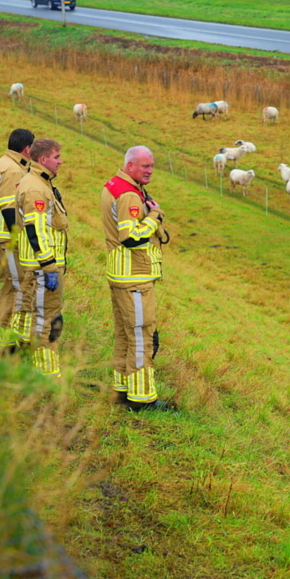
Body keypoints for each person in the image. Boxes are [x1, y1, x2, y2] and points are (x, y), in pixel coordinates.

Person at [101, 145, 171, 411]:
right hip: (134, 276)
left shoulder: (114, 185)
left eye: (152, 166)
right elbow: (129, 237)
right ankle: (142, 400)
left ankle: (121, 390)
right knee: (142, 336)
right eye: (145, 166)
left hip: (120, 272)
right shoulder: (129, 195)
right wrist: (154, 216)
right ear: (130, 165)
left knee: (124, 335)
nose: (150, 170)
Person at [16, 138, 68, 379]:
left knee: (34, 313)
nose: (60, 162)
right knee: (46, 318)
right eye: (56, 158)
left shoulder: (40, 182)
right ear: (43, 159)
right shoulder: (36, 188)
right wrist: (48, 266)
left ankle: (25, 361)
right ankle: (46, 373)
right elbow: (35, 229)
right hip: (41, 267)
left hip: (36, 264)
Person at [0, 128, 33, 352]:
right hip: (6, 238)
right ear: (27, 149)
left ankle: (8, 338)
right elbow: (8, 206)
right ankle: (5, 341)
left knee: (13, 285)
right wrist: (20, 236)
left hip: (0, 236)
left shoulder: (3, 163)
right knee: (16, 286)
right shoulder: (12, 169)